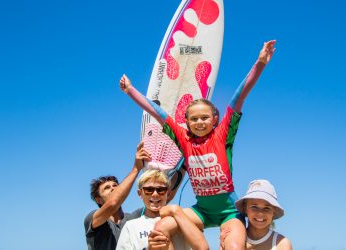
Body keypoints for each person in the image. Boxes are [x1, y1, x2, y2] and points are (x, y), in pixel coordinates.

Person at [119, 40, 276, 249]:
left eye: (204, 118)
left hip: (229, 213)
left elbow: (240, 96)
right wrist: (130, 90)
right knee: (160, 230)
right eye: (194, 119)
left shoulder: (223, 135)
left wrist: (260, 63)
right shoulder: (183, 139)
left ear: (214, 119)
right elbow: (158, 113)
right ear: (187, 122)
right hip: (201, 211)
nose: (199, 122)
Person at [116, 169, 208, 250]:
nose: (155, 194)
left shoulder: (183, 219)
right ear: (140, 193)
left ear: (167, 193)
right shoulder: (131, 226)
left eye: (161, 190)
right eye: (149, 190)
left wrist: (175, 210)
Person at [84, 142, 151, 250]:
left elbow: (161, 197)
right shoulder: (92, 218)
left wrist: (184, 166)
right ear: (98, 199)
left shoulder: (133, 218)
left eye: (116, 185)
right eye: (107, 188)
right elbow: (113, 203)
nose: (113, 188)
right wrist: (136, 169)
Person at [229, 179, 292, 250]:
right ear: (245, 208)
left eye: (266, 208)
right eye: (254, 207)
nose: (260, 213)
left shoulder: (281, 243)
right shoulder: (233, 239)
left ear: (273, 211)